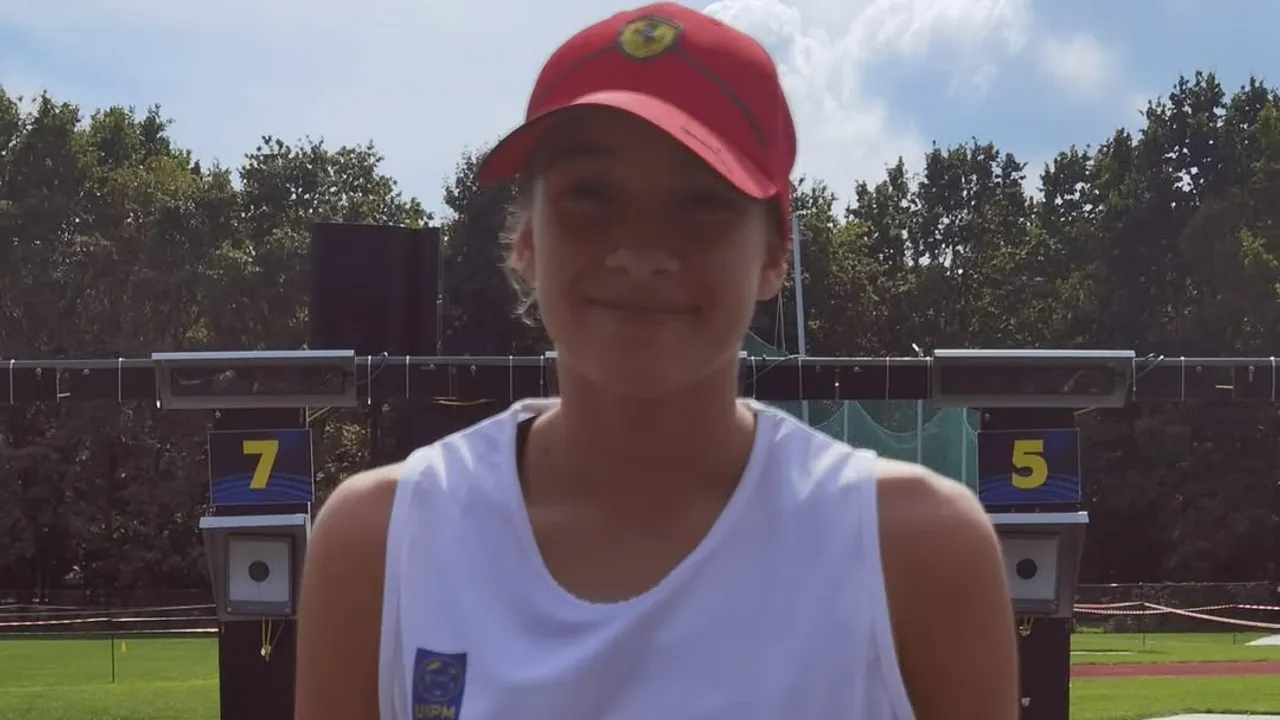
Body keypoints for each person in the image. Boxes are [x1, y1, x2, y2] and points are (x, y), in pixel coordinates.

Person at [293, 3, 1019, 719]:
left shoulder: (915, 549)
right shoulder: (381, 543)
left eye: (701, 202)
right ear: (527, 241)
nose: (640, 253)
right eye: (590, 196)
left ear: (773, 253)